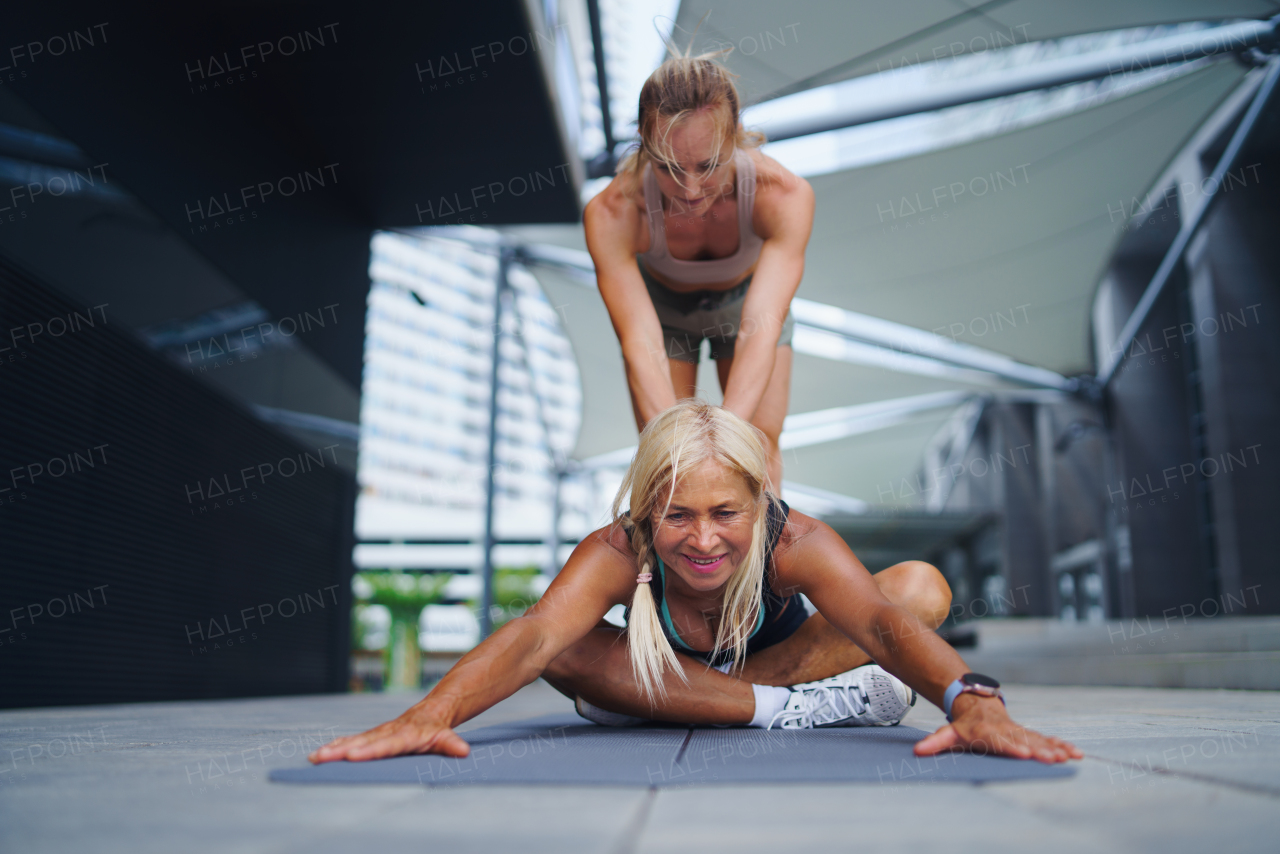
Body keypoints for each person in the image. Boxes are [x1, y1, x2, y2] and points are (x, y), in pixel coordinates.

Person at [311, 402, 1081, 765]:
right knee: (565, 651)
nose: (705, 540)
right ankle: (791, 713)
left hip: (727, 674)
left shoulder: (795, 542)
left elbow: (882, 623)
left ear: (760, 503)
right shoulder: (617, 548)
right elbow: (538, 634)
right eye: (678, 515)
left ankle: (719, 703)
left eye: (726, 513)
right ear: (647, 507)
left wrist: (973, 702)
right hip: (689, 677)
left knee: (919, 588)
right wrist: (429, 713)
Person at [584, 51, 813, 489]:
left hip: (746, 306)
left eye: (708, 165)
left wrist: (727, 440)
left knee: (757, 448)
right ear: (643, 139)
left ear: (736, 135)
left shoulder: (783, 196)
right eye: (669, 167)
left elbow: (760, 329)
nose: (690, 190)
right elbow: (638, 340)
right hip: (663, 316)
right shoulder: (613, 213)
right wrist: (677, 449)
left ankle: (762, 558)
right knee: (666, 459)